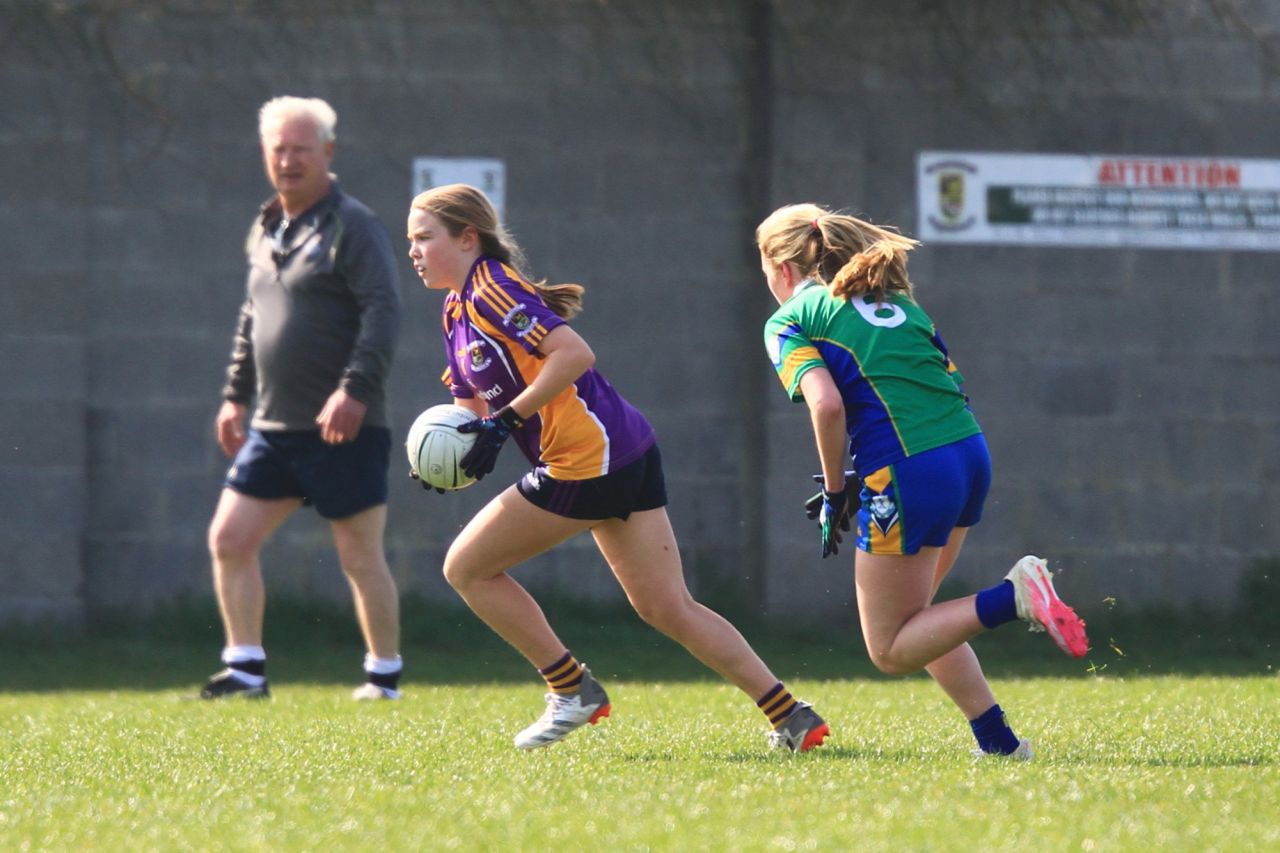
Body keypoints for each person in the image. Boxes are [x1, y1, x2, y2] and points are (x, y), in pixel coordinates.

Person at [406, 183, 828, 752]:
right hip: (624, 448)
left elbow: (573, 354)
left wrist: (503, 425)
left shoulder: (491, 291)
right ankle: (791, 715)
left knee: (467, 568)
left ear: (466, 237)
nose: (413, 250)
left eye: (424, 237)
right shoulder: (456, 308)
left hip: (588, 458)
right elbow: (470, 406)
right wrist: (449, 455)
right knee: (665, 606)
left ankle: (571, 687)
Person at [756, 202, 1089, 759]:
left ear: (783, 270)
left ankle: (1015, 597)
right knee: (925, 619)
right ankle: (1001, 745)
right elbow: (940, 383)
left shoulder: (789, 317)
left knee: (889, 650)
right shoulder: (898, 304)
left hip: (910, 469)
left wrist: (839, 488)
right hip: (967, 453)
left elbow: (828, 406)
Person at [201, 96, 404, 701]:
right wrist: (235, 396)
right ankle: (244, 672)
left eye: (301, 149)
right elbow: (251, 316)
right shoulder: (266, 226)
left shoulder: (354, 225)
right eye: (279, 149)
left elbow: (383, 310)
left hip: (343, 425)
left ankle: (384, 678)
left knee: (358, 555)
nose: (288, 160)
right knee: (229, 540)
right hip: (273, 427)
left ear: (328, 154)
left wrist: (355, 390)